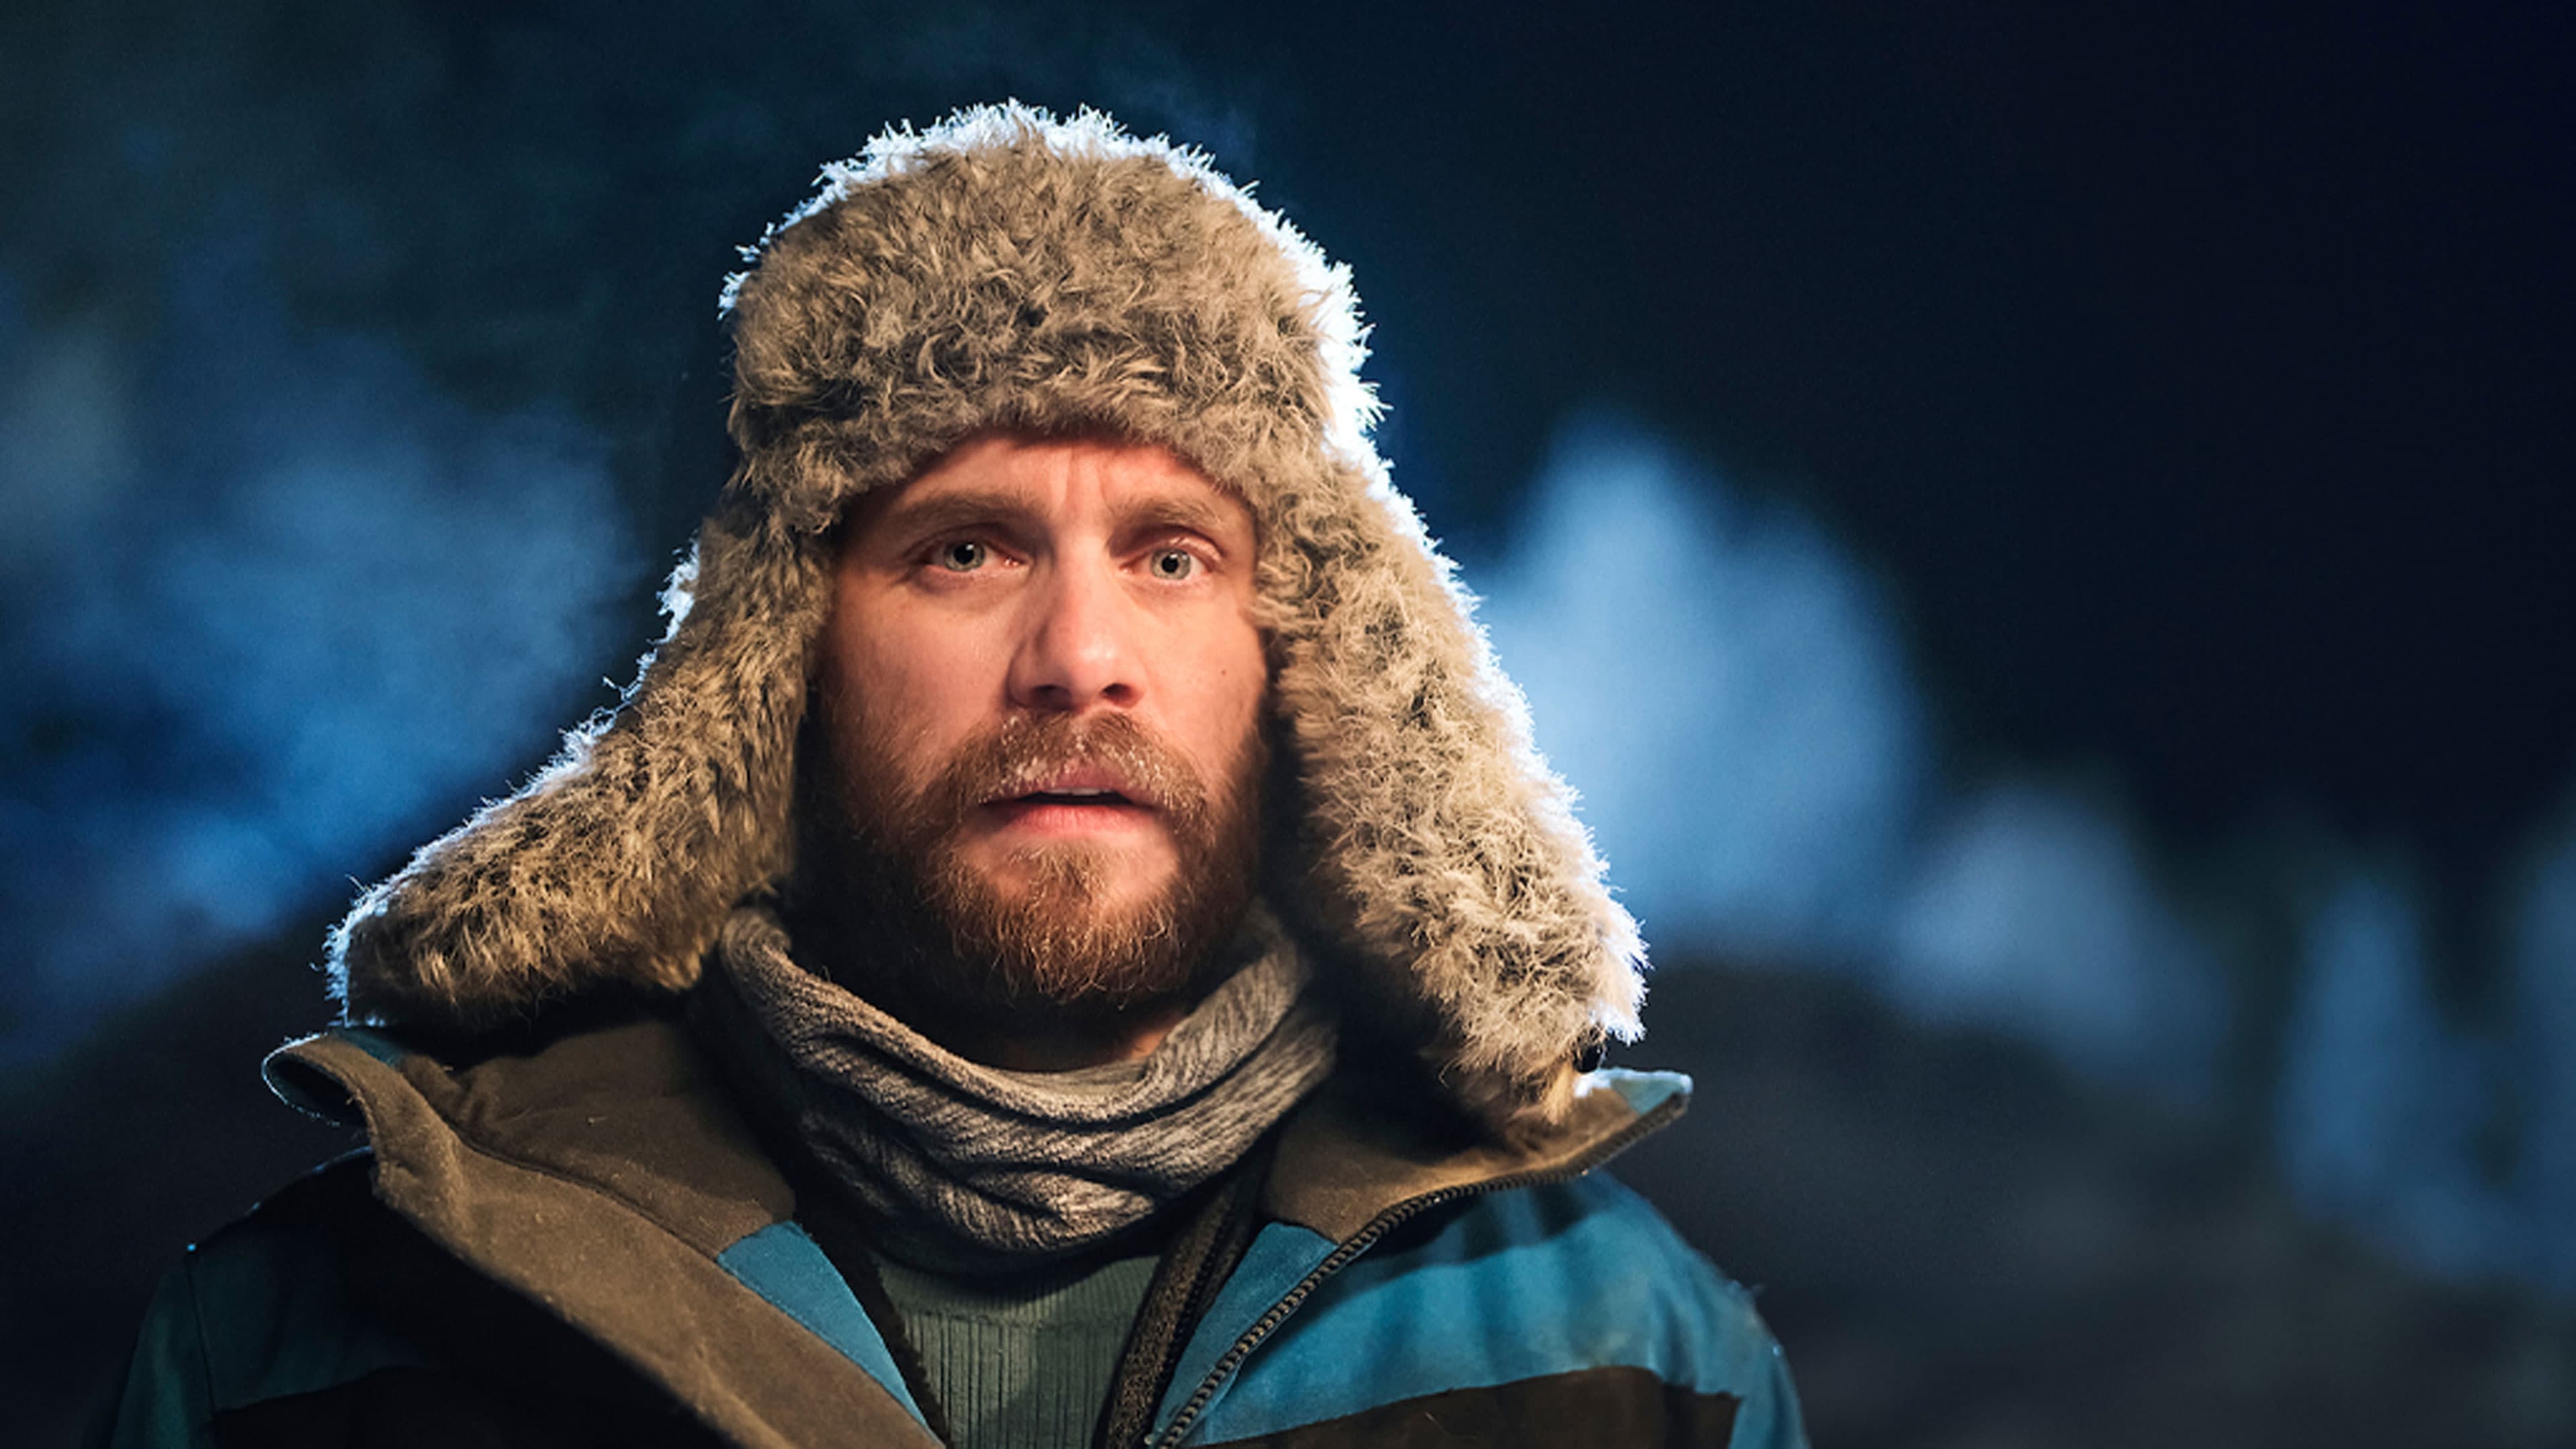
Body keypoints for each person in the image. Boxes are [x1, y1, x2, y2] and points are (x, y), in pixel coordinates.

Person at [91, 103, 1807, 1448]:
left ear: (1314, 660)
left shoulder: (1631, 1353)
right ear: (775, 659)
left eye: (1173, 556)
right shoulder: (307, 1343)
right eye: (966, 549)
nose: (1078, 654)